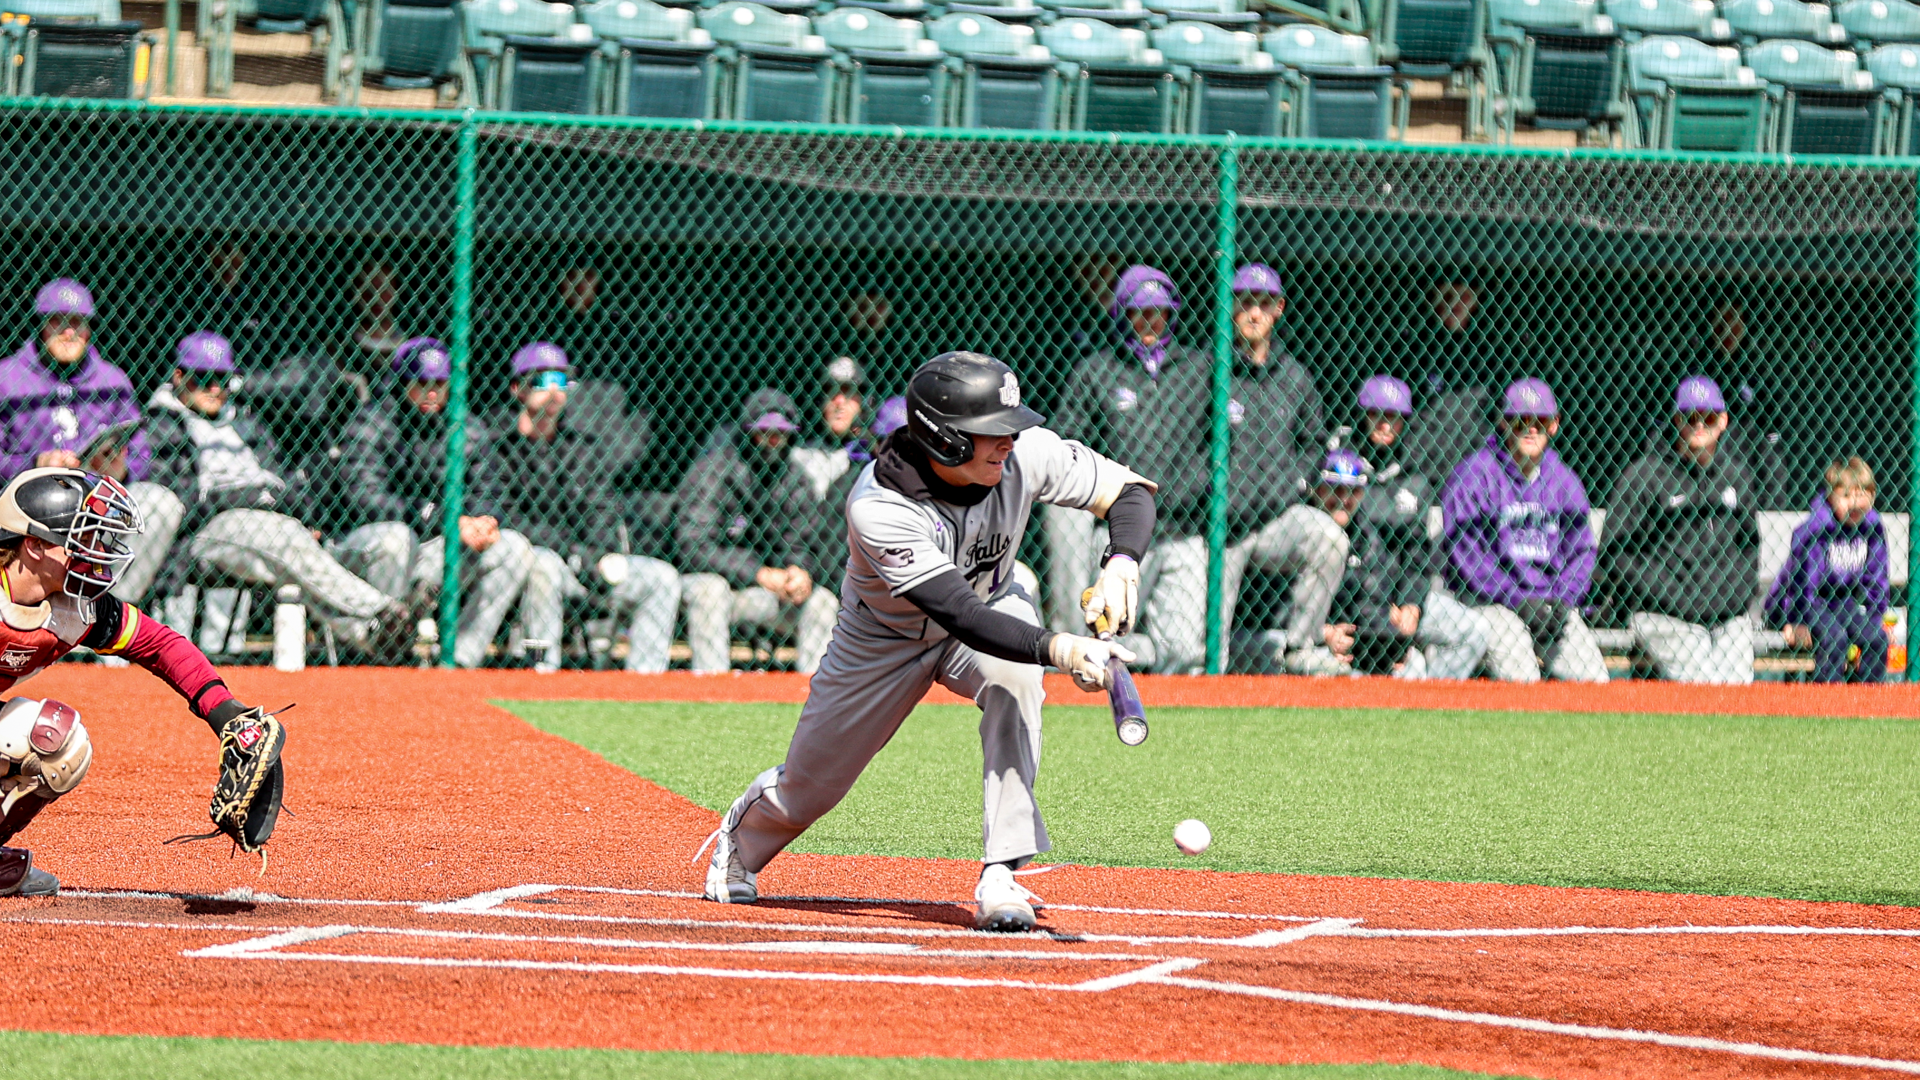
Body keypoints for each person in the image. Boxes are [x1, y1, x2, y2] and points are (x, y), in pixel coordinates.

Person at [698, 352, 1153, 934]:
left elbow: (1130, 491)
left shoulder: (1023, 451)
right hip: (883, 639)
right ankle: (745, 837)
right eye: (990, 432)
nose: (1008, 442)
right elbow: (956, 611)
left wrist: (1121, 566)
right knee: (811, 787)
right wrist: (1064, 650)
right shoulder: (880, 504)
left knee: (1015, 679)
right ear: (944, 438)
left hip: (990, 605)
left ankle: (1002, 871)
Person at [0, 467, 285, 897]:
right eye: (81, 538)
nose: (96, 552)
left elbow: (161, 645)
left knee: (60, 745)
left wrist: (223, 712)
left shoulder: (75, 607)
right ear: (35, 545)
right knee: (34, 734)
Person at [142, 332, 412, 660]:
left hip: (264, 519)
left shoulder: (241, 419)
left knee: (289, 553)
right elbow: (180, 498)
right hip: (207, 529)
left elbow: (278, 476)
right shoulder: (162, 422)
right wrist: (252, 496)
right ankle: (380, 609)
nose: (215, 389)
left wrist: (293, 511)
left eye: (223, 380)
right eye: (203, 378)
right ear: (179, 377)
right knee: (283, 538)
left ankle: (368, 634)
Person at [1177, 263, 1346, 675]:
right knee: (1205, 653)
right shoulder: (1208, 371)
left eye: (1264, 304)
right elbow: (1183, 443)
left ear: (1279, 309)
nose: (1254, 313)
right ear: (1230, 308)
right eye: (1245, 303)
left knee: (1330, 539)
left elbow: (1312, 443)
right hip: (1218, 529)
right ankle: (1209, 686)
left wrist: (1294, 483)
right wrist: (1212, 493)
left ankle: (1298, 648)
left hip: (1273, 520)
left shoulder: (1295, 376)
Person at [472, 342, 681, 674]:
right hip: (538, 561)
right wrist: (570, 550)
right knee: (544, 564)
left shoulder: (583, 448)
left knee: (662, 577)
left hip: (586, 564)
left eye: (561, 379)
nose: (554, 389)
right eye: (541, 380)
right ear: (517, 389)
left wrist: (594, 554)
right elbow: (505, 515)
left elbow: (601, 510)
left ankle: (645, 685)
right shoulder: (497, 446)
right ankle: (544, 677)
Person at [334, 337, 532, 669]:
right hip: (370, 549)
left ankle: (458, 661)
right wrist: (447, 519)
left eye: (439, 383)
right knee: (396, 538)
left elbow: (490, 491)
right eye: (421, 382)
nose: (431, 392)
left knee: (514, 547)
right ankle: (386, 654)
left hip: (438, 548)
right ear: (402, 383)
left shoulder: (466, 427)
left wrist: (484, 520)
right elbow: (366, 499)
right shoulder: (373, 421)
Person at [1047, 265, 1207, 653]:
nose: (1150, 319)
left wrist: (1198, 484)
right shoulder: (1096, 369)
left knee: (1183, 653)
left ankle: (1140, 662)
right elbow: (1067, 446)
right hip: (1116, 529)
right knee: (1102, 626)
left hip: (1181, 528)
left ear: (1171, 313)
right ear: (1122, 314)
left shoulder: (1201, 368)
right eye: (1138, 310)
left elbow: (1229, 439)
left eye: (1158, 310)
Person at [0, 279, 183, 605]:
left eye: (78, 323)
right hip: (31, 506)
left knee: (162, 502)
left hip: (96, 504)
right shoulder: (7, 377)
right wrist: (34, 464)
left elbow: (142, 453)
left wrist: (122, 469)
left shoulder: (112, 380)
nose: (69, 332)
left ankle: (105, 612)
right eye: (58, 321)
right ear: (41, 325)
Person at [1442, 378, 1609, 683]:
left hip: (1551, 603)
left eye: (1541, 420)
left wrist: (1563, 600)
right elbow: (1467, 556)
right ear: (1503, 423)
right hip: (1491, 604)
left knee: (1594, 681)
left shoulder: (1563, 479)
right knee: (1523, 680)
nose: (1531, 429)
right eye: (1521, 421)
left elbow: (1581, 551)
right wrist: (1516, 598)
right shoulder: (1475, 475)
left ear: (1555, 425)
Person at [1597, 376, 1760, 684]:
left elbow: (1749, 550)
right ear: (1676, 420)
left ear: (1723, 421)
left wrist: (1725, 600)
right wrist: (1675, 596)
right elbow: (1615, 552)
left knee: (1737, 686)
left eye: (1708, 417)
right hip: (1663, 614)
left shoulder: (1736, 476)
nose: (1699, 424)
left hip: (1724, 615)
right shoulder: (1645, 474)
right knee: (1702, 682)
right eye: (1689, 417)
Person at [1336, 375, 1489, 680]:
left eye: (1394, 417)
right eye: (1377, 415)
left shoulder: (1414, 477)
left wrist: (1412, 603)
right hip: (1351, 606)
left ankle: (1432, 703)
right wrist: (1380, 610)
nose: (1385, 425)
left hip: (1399, 598)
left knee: (1474, 631)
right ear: (1362, 416)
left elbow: (1417, 553)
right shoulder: (1342, 471)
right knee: (1403, 673)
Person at [675, 388, 836, 674]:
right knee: (710, 591)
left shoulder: (795, 479)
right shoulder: (714, 472)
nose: (773, 440)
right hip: (718, 587)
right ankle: (714, 694)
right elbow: (693, 548)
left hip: (769, 593)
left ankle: (813, 701)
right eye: (765, 432)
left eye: (781, 433)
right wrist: (758, 573)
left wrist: (799, 571)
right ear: (748, 433)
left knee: (822, 602)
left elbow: (801, 542)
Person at [1765, 457, 1889, 684]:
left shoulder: (1872, 526)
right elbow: (1801, 581)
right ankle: (1827, 703)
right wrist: (1797, 620)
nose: (1855, 503)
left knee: (1877, 639)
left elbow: (1877, 577)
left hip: (1843, 601)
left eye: (1863, 495)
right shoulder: (1817, 527)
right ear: (1830, 497)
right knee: (1836, 638)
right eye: (1846, 496)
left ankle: (1869, 702)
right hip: (1809, 602)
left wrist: (1876, 616)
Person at [790, 356, 867, 500]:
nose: (839, 402)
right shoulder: (798, 456)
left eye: (848, 392)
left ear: (862, 403)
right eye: (832, 391)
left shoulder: (870, 458)